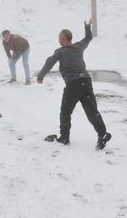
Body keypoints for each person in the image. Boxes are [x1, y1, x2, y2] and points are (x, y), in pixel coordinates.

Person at [37, 19, 111, 149]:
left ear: (63, 39)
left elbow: (50, 62)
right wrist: (87, 26)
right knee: (92, 112)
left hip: (73, 84)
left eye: (60, 37)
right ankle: (102, 133)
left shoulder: (60, 51)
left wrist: (40, 76)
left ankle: (64, 137)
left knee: (65, 111)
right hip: (86, 82)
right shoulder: (79, 46)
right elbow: (88, 37)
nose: (58, 40)